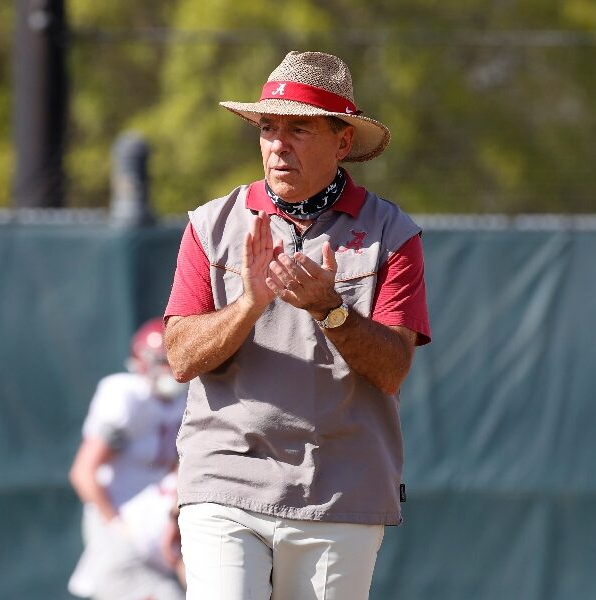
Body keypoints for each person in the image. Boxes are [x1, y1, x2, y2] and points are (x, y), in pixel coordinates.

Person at [163, 51, 432, 600]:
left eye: (298, 128)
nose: (277, 144)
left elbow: (393, 369)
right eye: (268, 127)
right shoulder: (211, 225)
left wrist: (330, 309)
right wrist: (248, 304)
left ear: (341, 142)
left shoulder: (392, 233)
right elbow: (181, 358)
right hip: (225, 479)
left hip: (341, 491)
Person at [68, 318, 188, 600]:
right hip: (124, 524)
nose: (172, 369)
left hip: (159, 523)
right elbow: (83, 472)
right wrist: (117, 525)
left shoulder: (186, 399)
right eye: (164, 361)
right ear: (144, 362)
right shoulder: (126, 395)